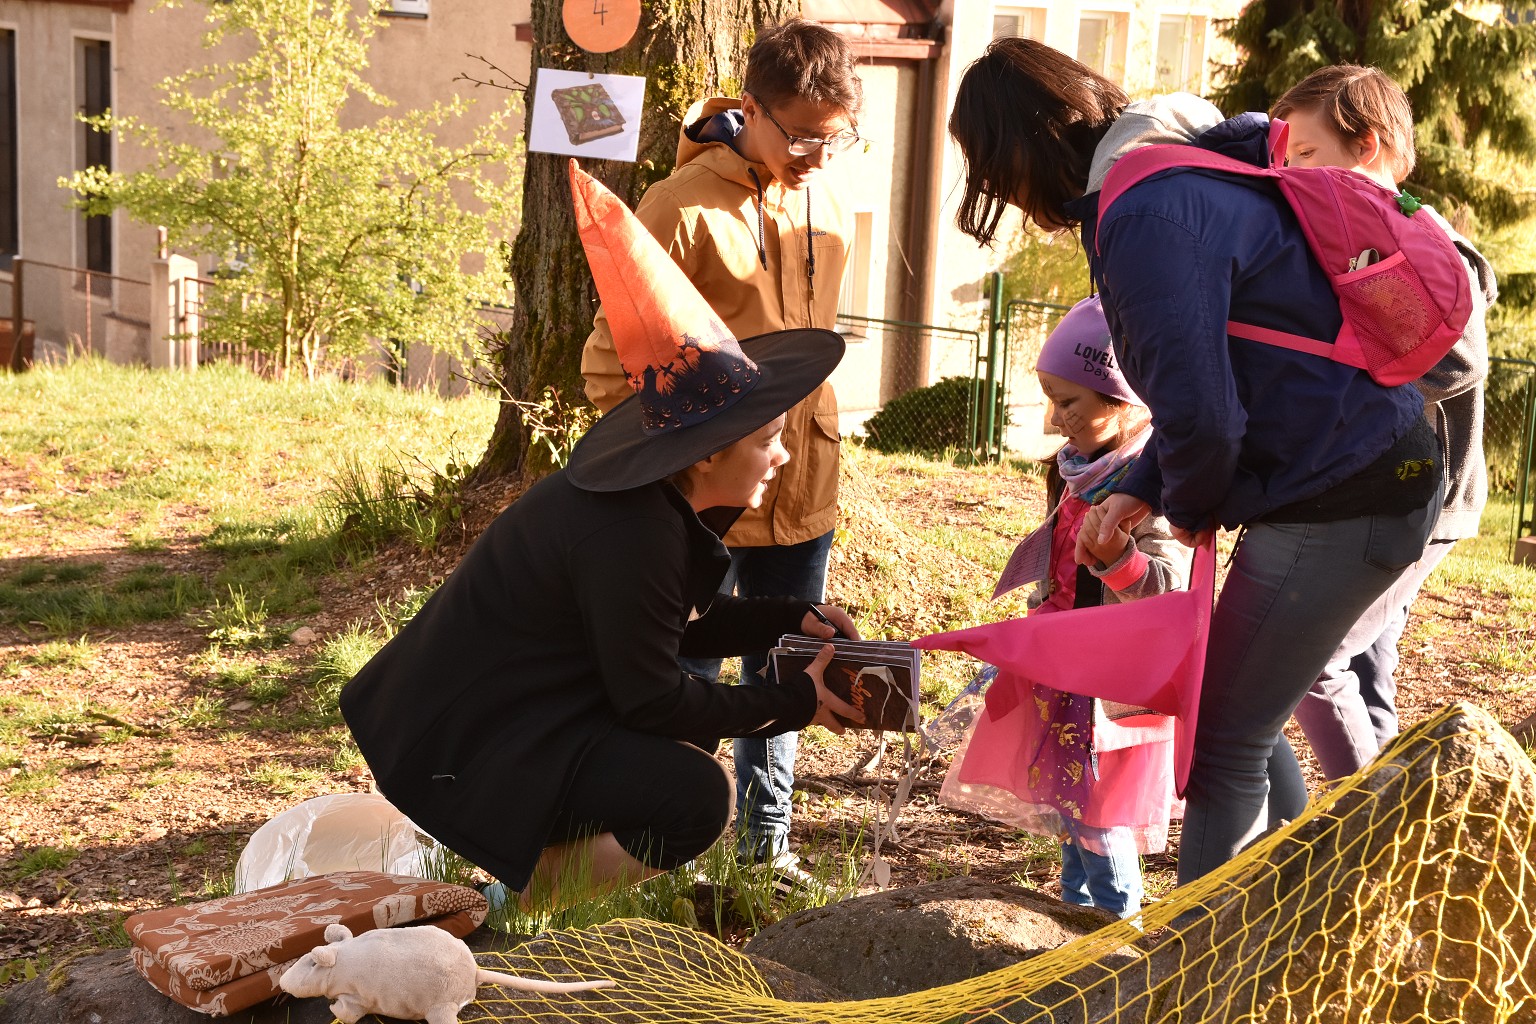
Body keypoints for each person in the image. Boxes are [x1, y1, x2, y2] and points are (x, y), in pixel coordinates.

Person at [946, 38, 1443, 886]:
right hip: (1356, 472)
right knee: (1235, 724)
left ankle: (1204, 981)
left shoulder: (1144, 215)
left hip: (1349, 486)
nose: (1005, 197)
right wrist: (1142, 486)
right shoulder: (1172, 168)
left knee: (1220, 739)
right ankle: (1277, 923)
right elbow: (1217, 373)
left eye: (993, 170)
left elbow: (1204, 418)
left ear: (1026, 147)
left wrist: (1184, 505)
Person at [340, 163, 865, 912]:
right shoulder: (632, 531)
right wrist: (790, 702)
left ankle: (525, 881)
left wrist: (790, 620)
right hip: (467, 744)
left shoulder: (653, 506)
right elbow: (651, 699)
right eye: (768, 441)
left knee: (682, 755)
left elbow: (678, 627)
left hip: (512, 719)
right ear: (709, 453)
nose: (781, 457)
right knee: (694, 795)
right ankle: (517, 905)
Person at [580, 18, 864, 886]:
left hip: (803, 485)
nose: (818, 151)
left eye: (835, 134)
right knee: (688, 668)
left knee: (788, 661)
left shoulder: (830, 201)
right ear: (751, 110)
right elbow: (606, 368)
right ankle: (670, 848)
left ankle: (765, 848)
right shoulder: (680, 207)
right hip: (705, 502)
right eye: (802, 133)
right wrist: (692, 464)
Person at [1273, 65, 1496, 780]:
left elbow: (1458, 363)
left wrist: (1361, 305)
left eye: (1305, 152)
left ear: (1366, 144)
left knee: (1321, 659)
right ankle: (1399, 821)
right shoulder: (1365, 232)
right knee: (1366, 665)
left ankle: (1369, 816)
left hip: (1427, 498)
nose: (1290, 168)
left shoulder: (1423, 242)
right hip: (1403, 490)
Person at [939, 296, 1187, 919]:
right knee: (1070, 809)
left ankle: (1116, 937)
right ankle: (1071, 925)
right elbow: (1058, 568)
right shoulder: (1079, 471)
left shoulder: (1150, 489)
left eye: (1068, 401)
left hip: (1111, 686)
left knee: (1100, 818)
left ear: (1123, 397)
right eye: (1049, 398)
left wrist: (1117, 561)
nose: (1053, 421)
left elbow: (1170, 599)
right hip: (1065, 670)